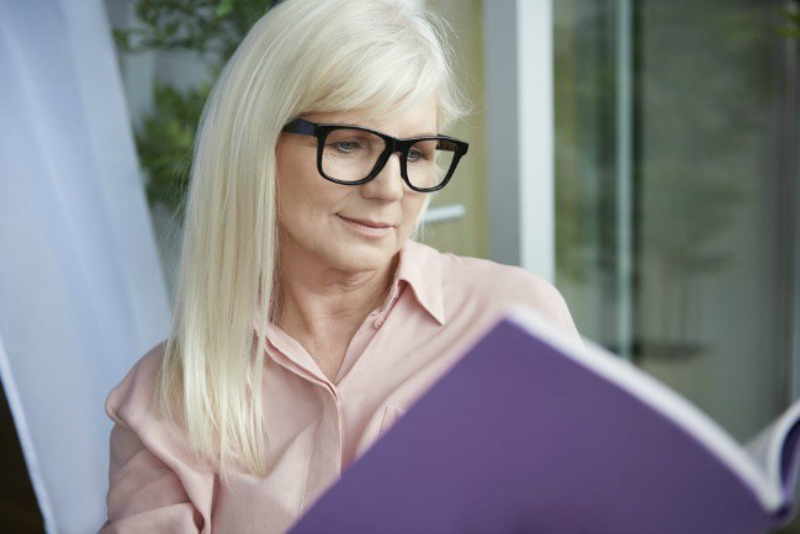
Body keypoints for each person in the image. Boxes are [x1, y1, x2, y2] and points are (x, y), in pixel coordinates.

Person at [99, 0, 584, 532]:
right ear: (256, 144)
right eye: (350, 143)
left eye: (417, 153)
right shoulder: (168, 397)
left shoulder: (516, 323)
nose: (389, 189)